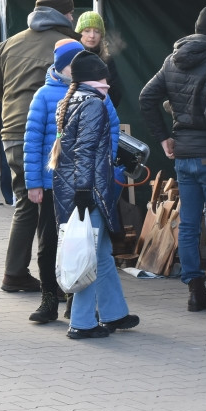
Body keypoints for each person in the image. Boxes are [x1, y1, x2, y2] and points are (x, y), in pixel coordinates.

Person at [139, 5, 206, 315]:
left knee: (188, 224)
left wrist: (164, 137)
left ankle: (194, 292)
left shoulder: (172, 59)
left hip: (182, 155)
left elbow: (147, 97)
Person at [0, 0, 79, 293]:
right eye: (71, 13)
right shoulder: (68, 45)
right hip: (47, 138)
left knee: (26, 201)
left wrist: (13, 104)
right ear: (64, 15)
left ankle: (14, 273)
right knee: (55, 205)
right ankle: (59, 280)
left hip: (11, 134)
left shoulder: (9, 43)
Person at [22, 39, 120, 323]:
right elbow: (32, 140)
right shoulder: (43, 94)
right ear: (61, 65)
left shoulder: (98, 95)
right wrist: (33, 183)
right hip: (51, 183)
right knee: (50, 244)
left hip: (84, 184)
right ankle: (49, 298)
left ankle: (76, 302)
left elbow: (112, 129)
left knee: (84, 245)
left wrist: (106, 164)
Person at [51, 50, 138, 339]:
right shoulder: (93, 105)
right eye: (104, 76)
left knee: (100, 252)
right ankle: (82, 322)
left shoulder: (71, 101)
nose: (108, 81)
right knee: (89, 254)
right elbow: (85, 152)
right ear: (95, 78)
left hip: (73, 188)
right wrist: (85, 191)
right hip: (88, 190)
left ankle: (114, 312)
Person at [74, 10, 123, 108]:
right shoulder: (70, 57)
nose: (92, 36)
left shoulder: (107, 60)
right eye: (87, 31)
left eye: (97, 31)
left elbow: (115, 92)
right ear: (79, 33)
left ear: (101, 35)